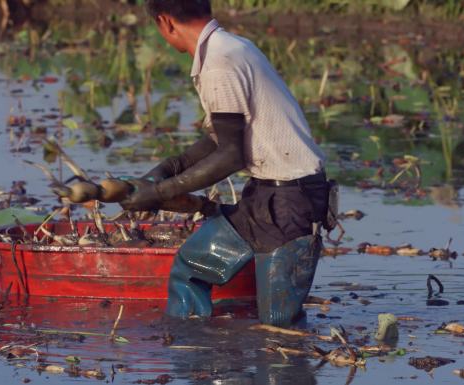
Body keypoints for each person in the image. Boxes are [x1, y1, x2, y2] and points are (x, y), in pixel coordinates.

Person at [120, 0, 332, 327]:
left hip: (292, 201)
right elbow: (221, 137)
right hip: (261, 197)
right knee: (190, 269)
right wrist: (167, 168)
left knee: (279, 327)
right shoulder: (231, 48)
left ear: (165, 22)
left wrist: (160, 192)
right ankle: (197, 360)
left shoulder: (221, 62)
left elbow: (231, 154)